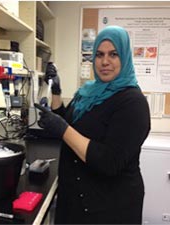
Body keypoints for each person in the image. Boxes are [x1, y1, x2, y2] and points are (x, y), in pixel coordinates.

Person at [36, 25, 151, 224]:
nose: (105, 61)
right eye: (99, 54)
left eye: (113, 54)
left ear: (124, 57)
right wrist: (56, 91)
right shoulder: (89, 91)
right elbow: (68, 122)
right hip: (75, 200)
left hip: (109, 207)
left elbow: (110, 162)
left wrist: (62, 129)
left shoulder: (133, 102)